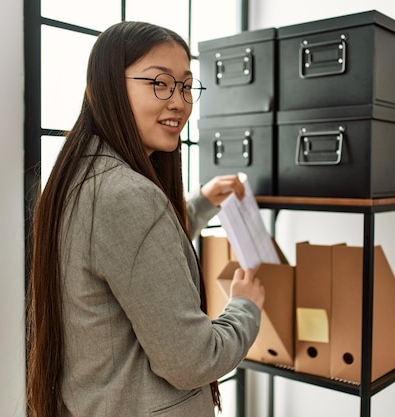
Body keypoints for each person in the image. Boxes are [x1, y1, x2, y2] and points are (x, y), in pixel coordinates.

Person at [25, 21, 265, 417]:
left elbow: (134, 258)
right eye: (159, 83)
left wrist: (202, 203)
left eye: (186, 86)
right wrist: (245, 308)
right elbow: (193, 361)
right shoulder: (129, 197)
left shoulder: (81, 172)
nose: (178, 102)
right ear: (109, 87)